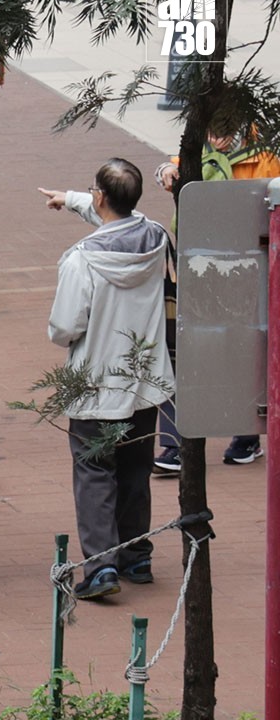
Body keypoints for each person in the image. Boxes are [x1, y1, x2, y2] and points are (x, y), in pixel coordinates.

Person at [38, 158, 173, 600]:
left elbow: (64, 327)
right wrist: (72, 199)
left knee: (95, 472)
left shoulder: (83, 260)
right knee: (135, 468)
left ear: (100, 197)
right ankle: (137, 556)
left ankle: (100, 568)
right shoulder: (156, 238)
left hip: (96, 383)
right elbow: (117, 220)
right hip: (145, 379)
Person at [151, 124, 277, 473]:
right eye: (213, 130)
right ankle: (176, 445)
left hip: (249, 267)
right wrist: (163, 171)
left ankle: (246, 434)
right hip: (200, 263)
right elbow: (170, 166)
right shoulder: (201, 150)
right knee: (190, 349)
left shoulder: (266, 158)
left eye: (225, 131)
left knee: (245, 346)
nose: (217, 138)